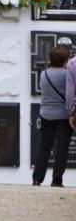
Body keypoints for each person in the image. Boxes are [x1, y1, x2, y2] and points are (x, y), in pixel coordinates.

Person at [35, 45, 73, 187]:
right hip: (63, 116)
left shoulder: (43, 74)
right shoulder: (66, 74)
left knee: (44, 147)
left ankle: (37, 179)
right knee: (61, 149)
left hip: (46, 115)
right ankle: (57, 180)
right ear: (65, 60)